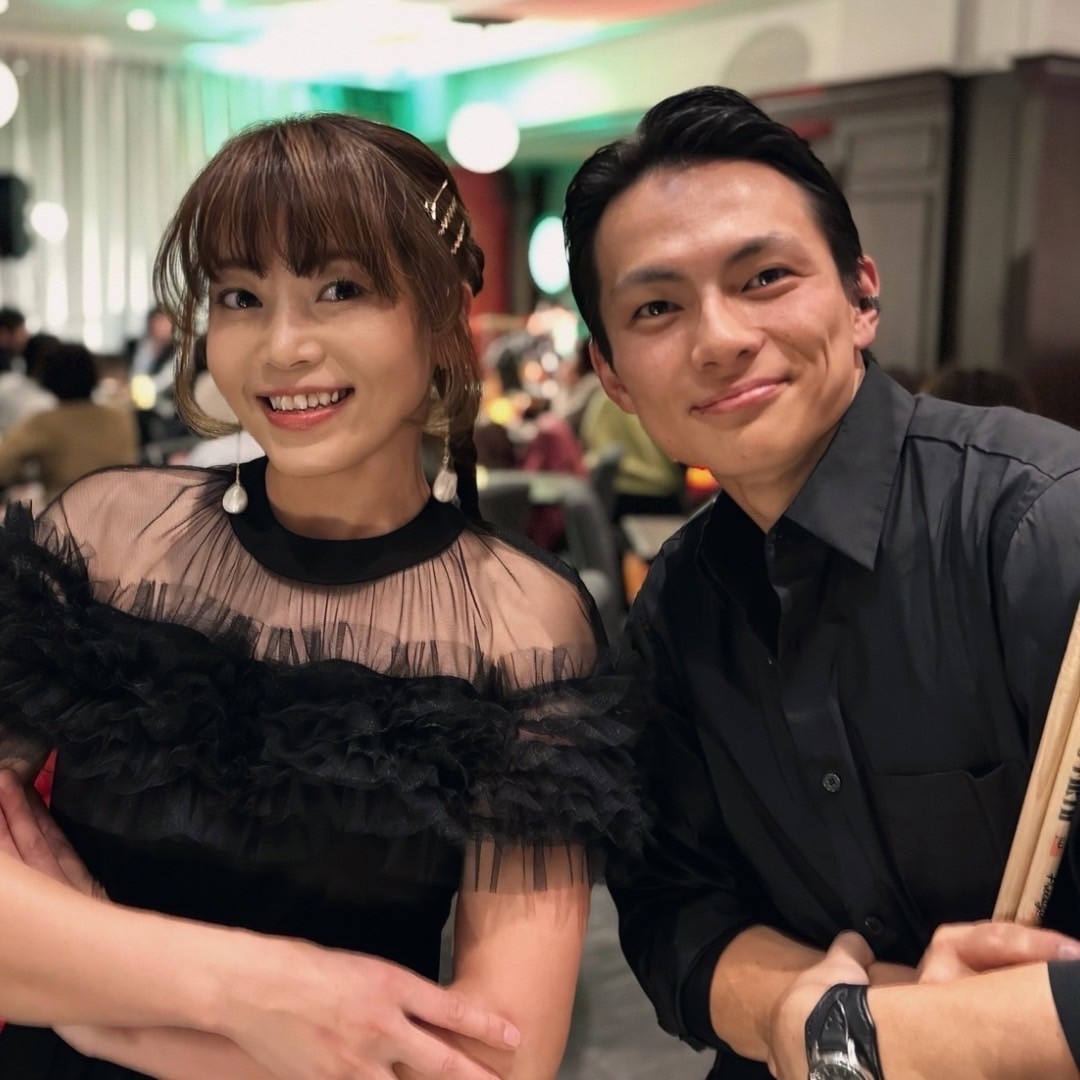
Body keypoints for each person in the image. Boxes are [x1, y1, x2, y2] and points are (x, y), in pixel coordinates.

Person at [0, 112, 643, 1079]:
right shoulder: (108, 536)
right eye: (240, 296)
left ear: (438, 315)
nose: (282, 346)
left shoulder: (520, 622)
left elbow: (494, 1057)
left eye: (340, 288)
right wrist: (255, 995)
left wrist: (101, 1010)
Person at [562, 84, 1080, 1079]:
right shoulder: (677, 606)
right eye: (657, 307)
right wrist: (826, 1021)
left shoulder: (1042, 528)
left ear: (861, 297)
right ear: (614, 373)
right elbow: (673, 912)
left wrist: (891, 1039)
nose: (719, 338)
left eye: (764, 277)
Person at [0, 343, 140, 503]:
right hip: (121, 508)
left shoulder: (45, 422)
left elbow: (3, 464)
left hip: (65, 511)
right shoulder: (119, 417)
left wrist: (33, 473)